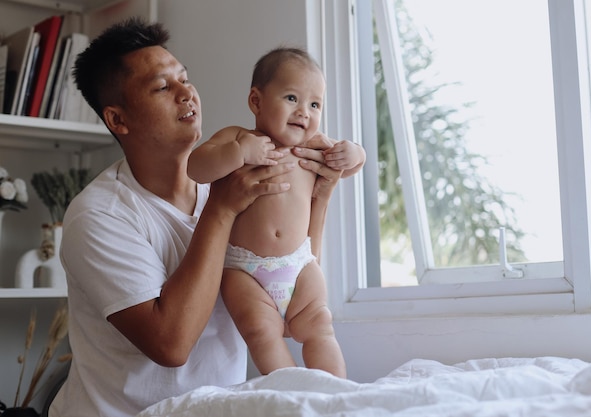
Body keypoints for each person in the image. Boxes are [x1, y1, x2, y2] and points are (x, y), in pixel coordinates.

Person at [49, 19, 343, 417]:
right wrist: (221, 209)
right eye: (162, 87)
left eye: (185, 79)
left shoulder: (235, 177)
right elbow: (171, 345)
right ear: (118, 120)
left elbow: (289, 309)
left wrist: (320, 198)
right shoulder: (98, 215)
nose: (187, 93)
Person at [187, 47, 365, 378]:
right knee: (261, 333)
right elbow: (195, 168)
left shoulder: (312, 147)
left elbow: (351, 166)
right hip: (245, 270)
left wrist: (354, 153)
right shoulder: (238, 138)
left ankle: (336, 391)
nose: (304, 112)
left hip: (299, 265)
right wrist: (238, 153)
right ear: (256, 101)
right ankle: (292, 394)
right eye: (292, 98)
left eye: (315, 104)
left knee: (320, 325)